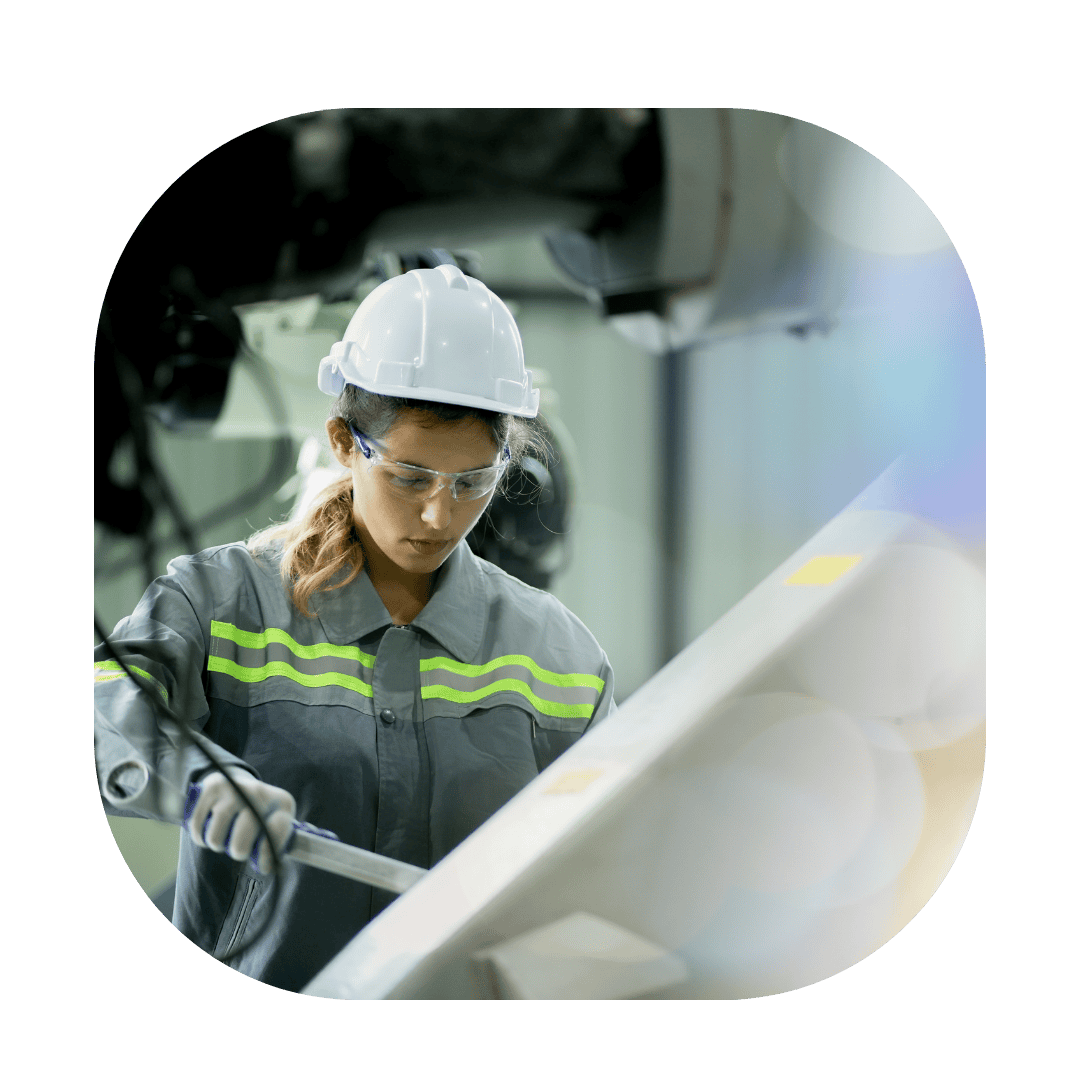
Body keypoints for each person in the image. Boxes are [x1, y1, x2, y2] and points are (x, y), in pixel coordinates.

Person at [93, 264, 617, 992]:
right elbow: (101, 707)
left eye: (473, 482)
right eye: (409, 477)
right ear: (344, 441)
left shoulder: (560, 655)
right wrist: (194, 777)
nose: (440, 515)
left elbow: (616, 852)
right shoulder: (218, 600)